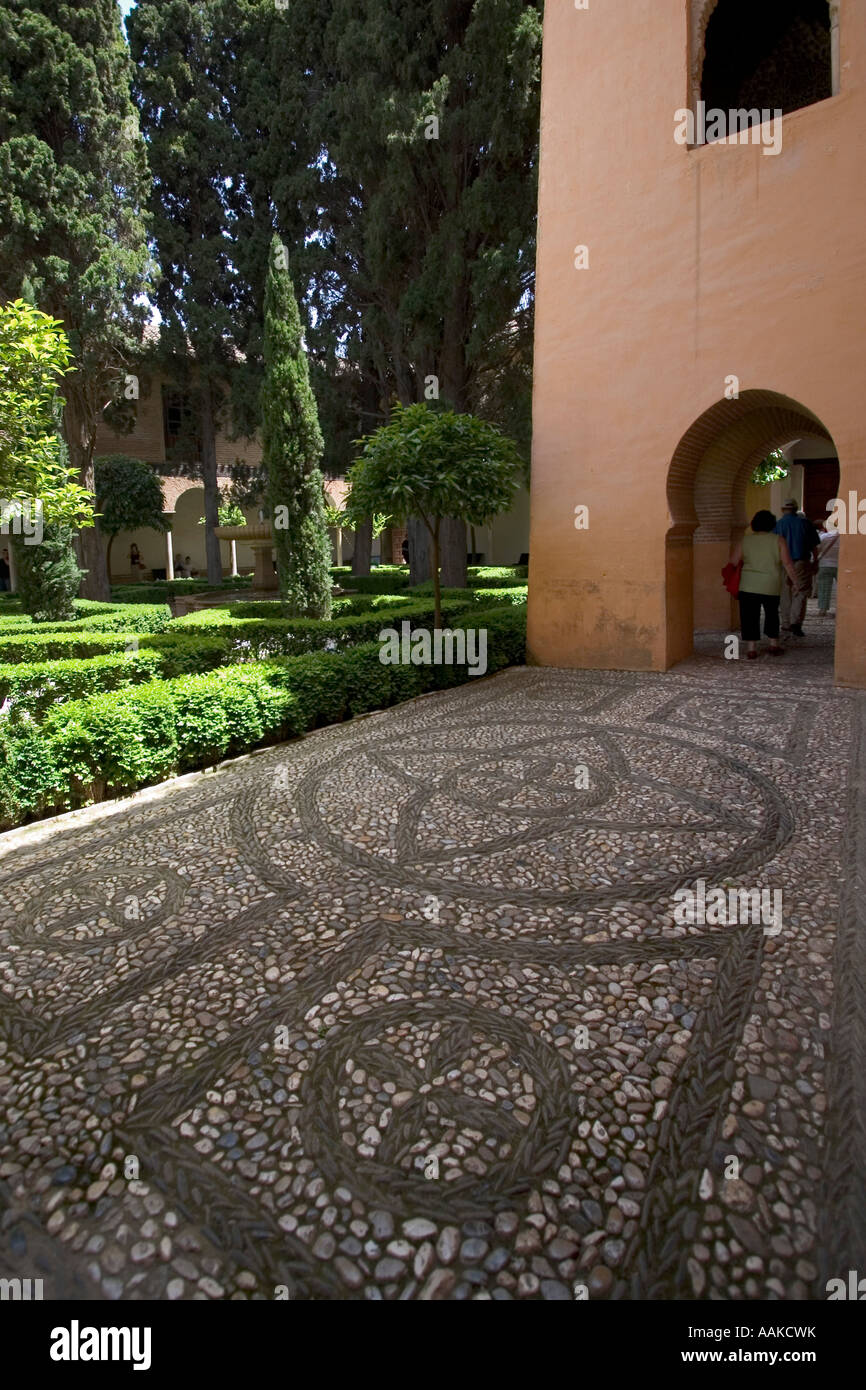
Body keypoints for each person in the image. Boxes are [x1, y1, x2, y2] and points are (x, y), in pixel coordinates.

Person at [729, 510, 798, 660]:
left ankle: (751, 648)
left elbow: (733, 562)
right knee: (772, 614)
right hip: (770, 584)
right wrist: (795, 581)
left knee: (749, 616)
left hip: (748, 585)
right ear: (772, 524)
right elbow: (787, 563)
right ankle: (773, 644)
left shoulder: (745, 540)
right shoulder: (778, 540)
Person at [774, 500, 819, 638]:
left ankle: (786, 622)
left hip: (782, 564)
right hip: (800, 562)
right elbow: (814, 546)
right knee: (800, 591)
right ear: (796, 509)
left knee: (785, 593)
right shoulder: (805, 524)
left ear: (782, 509)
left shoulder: (777, 525)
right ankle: (796, 622)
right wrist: (815, 561)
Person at [816, 520, 840, 616]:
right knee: (844, 589)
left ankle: (823, 609)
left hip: (824, 565)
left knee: (824, 588)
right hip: (840, 566)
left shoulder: (823, 537)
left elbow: (817, 550)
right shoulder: (843, 538)